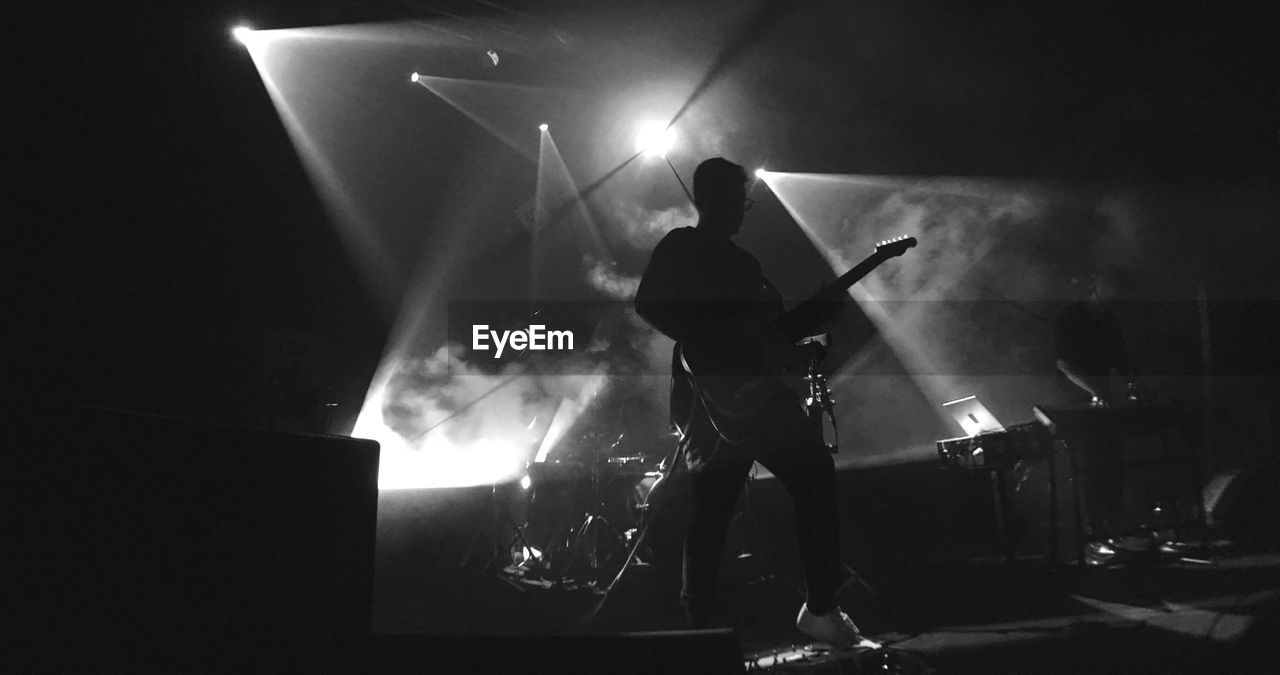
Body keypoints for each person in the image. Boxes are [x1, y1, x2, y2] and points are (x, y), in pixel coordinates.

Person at [634, 157, 874, 649]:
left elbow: (771, 334)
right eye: (740, 199)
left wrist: (812, 326)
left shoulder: (745, 264)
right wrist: (718, 338)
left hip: (753, 392)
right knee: (720, 507)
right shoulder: (682, 245)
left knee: (788, 484)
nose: (744, 210)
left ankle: (814, 609)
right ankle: (715, 626)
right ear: (714, 199)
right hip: (709, 395)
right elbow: (649, 305)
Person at [1055, 265, 1137, 564]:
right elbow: (1064, 364)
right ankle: (1095, 539)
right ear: (1095, 286)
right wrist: (1095, 390)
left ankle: (1114, 531)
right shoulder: (1071, 316)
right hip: (1075, 399)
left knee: (1113, 465)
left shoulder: (1111, 321)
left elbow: (1122, 360)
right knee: (1091, 468)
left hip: (1104, 401)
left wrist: (1131, 384)